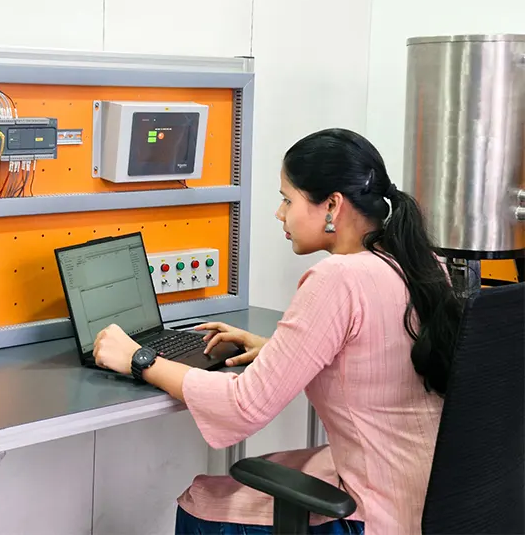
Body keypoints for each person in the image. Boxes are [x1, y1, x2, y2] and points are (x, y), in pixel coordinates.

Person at [92, 128, 463, 534]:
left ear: (332, 206)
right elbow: (379, 355)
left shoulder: (337, 277)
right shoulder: (418, 262)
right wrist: (276, 349)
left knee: (201, 503)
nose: (279, 213)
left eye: (288, 199)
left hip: (374, 514)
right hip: (438, 500)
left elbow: (243, 405)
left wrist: (140, 360)